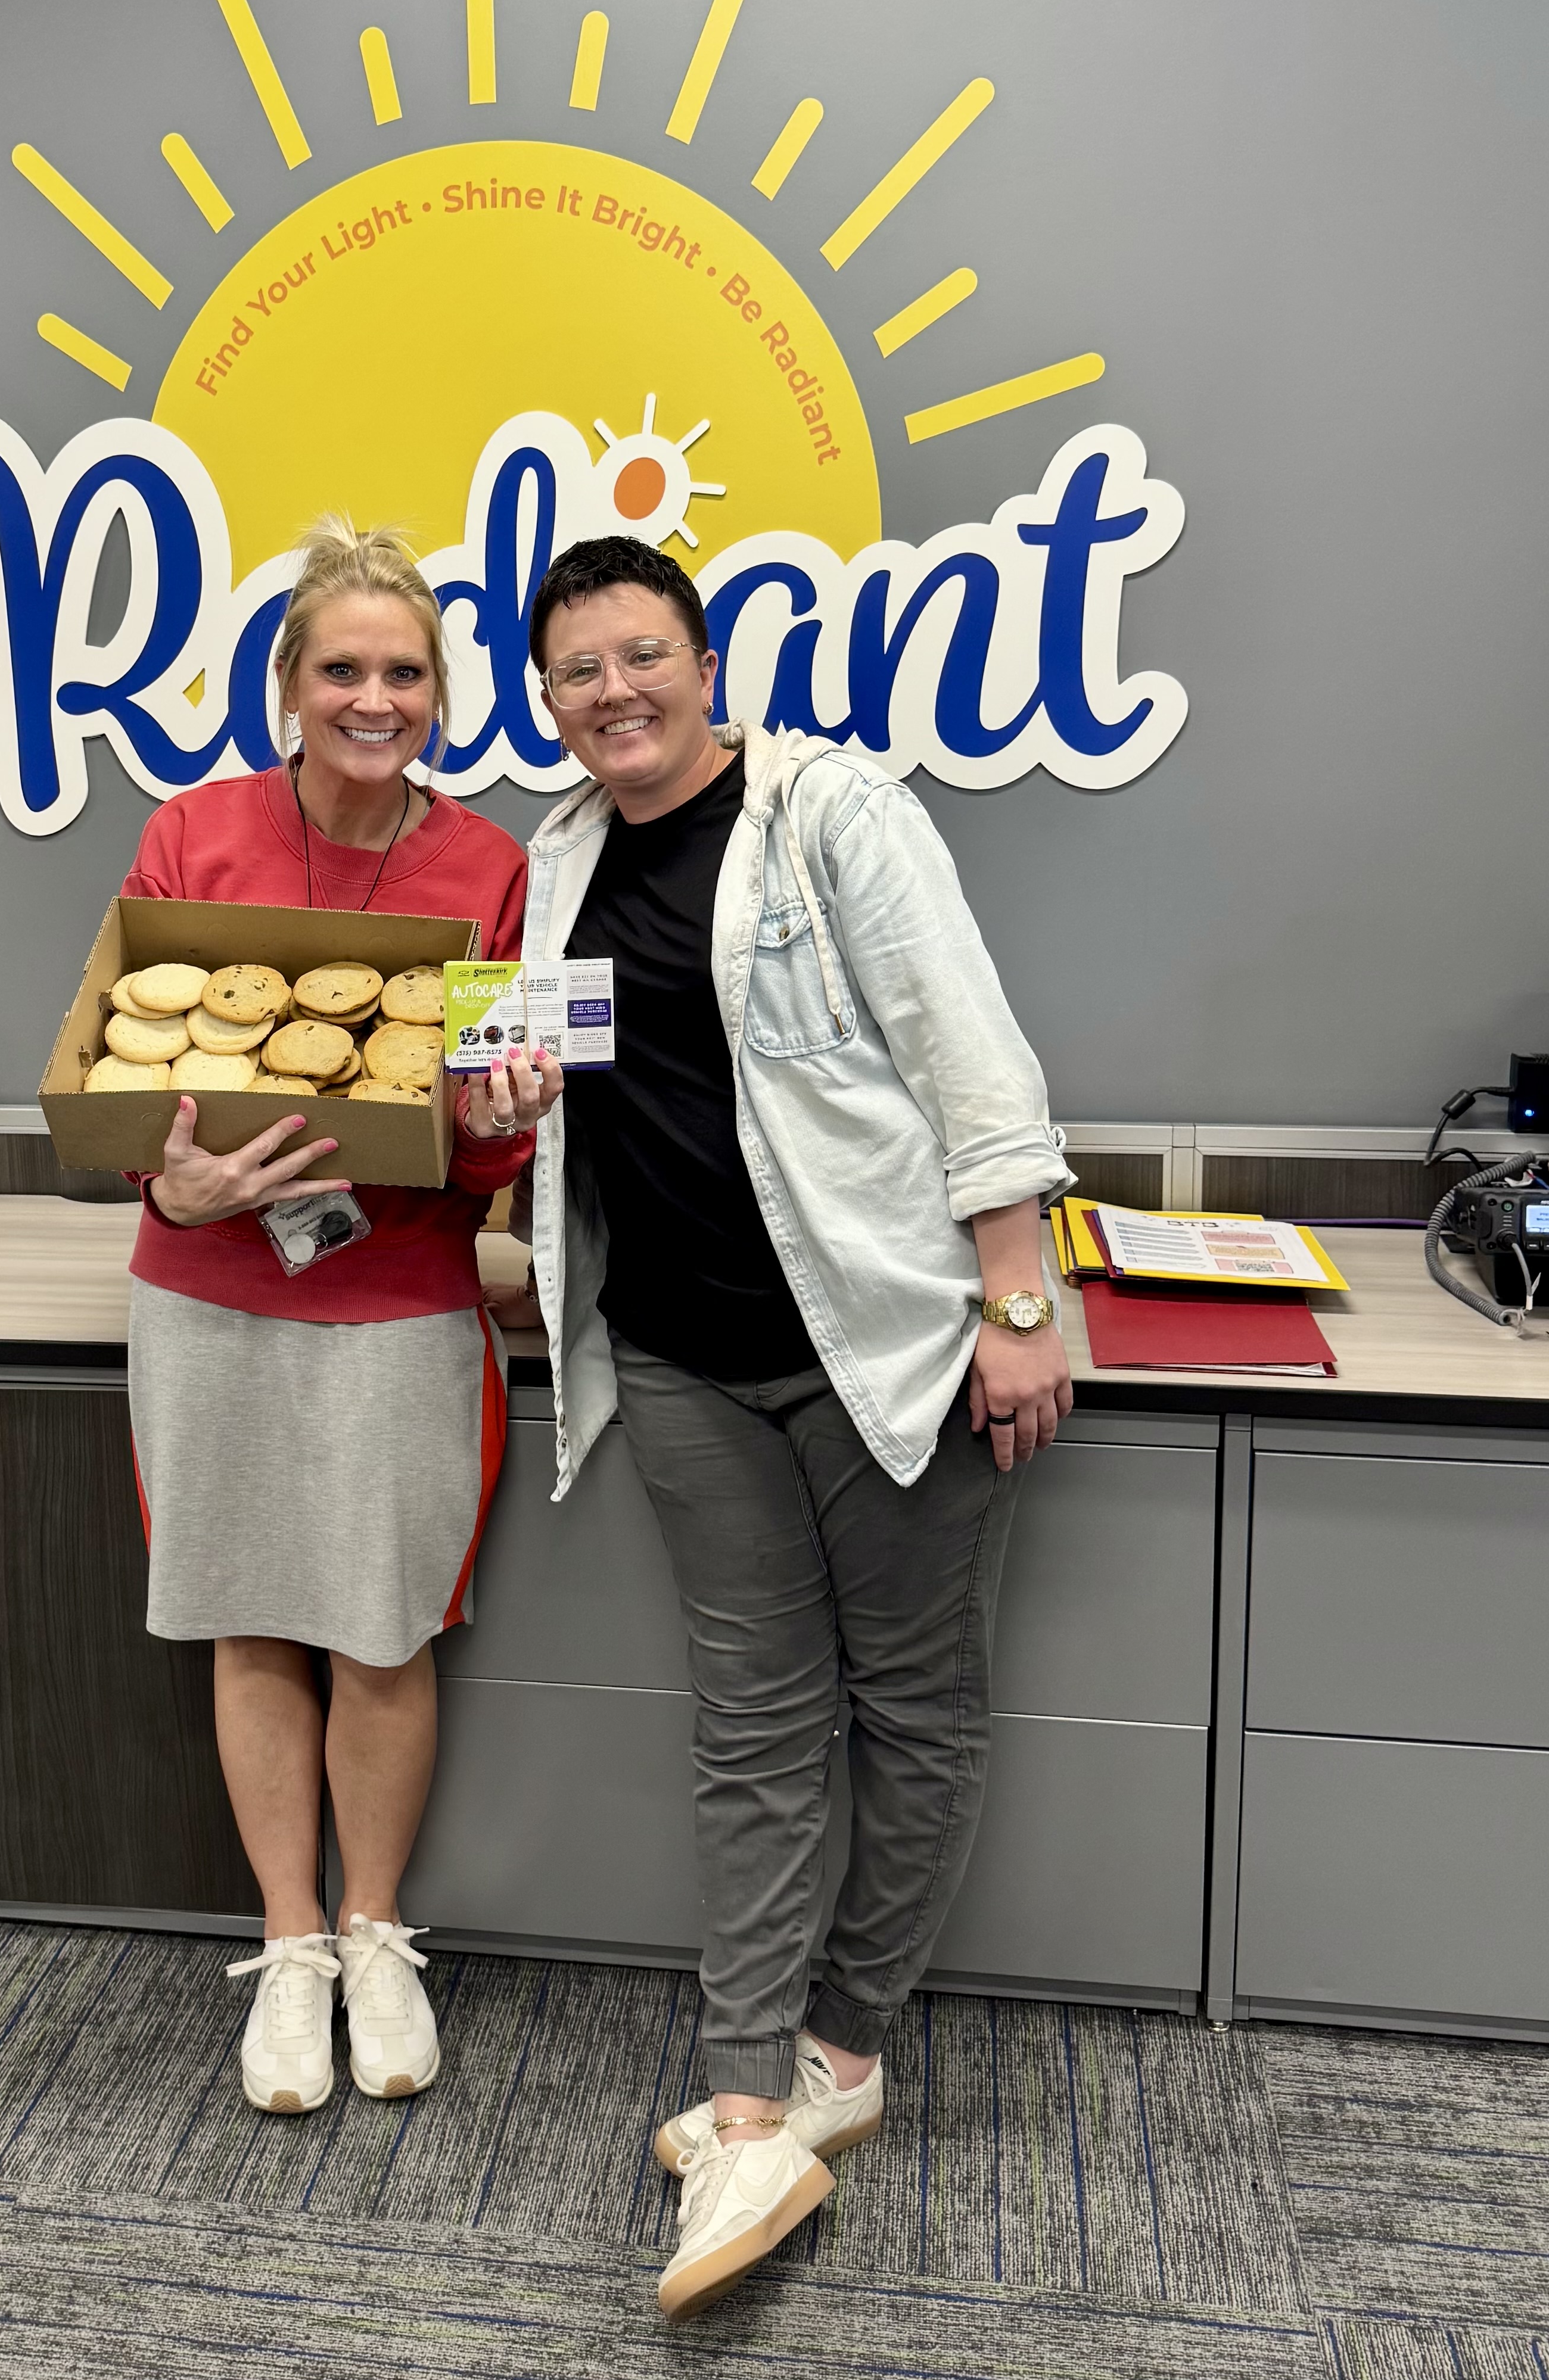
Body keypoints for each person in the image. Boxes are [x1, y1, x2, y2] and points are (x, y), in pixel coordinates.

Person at [512, 534, 1073, 2321]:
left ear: (704, 661)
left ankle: (846, 2045)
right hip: (682, 1360)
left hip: (882, 1345)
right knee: (754, 1728)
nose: (614, 691)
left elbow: (967, 1052)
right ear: (551, 701)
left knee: (911, 1710)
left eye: (641, 654)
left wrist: (1018, 1301)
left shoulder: (834, 816)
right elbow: (559, 1093)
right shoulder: (557, 860)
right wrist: (503, 1101)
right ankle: (750, 2096)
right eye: (578, 670)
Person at [124, 514, 561, 2119]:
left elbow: (497, 1146)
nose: (374, 699)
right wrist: (174, 1186)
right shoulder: (193, 838)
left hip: (397, 1298)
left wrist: (508, 1120)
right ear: (290, 688)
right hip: (212, 1297)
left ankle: (378, 1936)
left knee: (382, 1629)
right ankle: (291, 1943)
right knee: (252, 1617)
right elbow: (124, 1073)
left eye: (405, 672)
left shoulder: (488, 871)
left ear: (439, 693)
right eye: (342, 670)